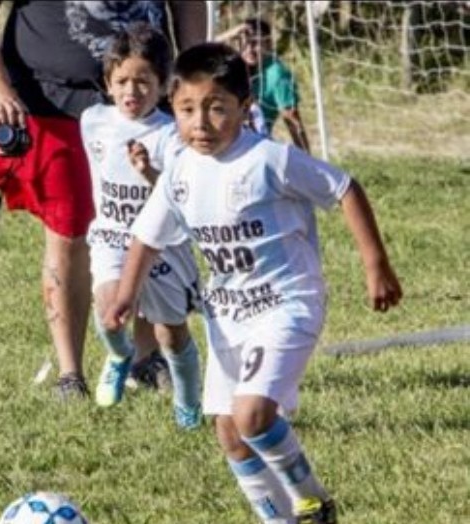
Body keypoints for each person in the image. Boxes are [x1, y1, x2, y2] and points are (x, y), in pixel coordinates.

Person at [104, 43, 402, 522]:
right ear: (172, 108)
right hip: (227, 314)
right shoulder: (179, 169)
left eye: (217, 108)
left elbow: (344, 187)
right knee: (229, 432)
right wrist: (125, 294)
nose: (201, 122)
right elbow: (146, 236)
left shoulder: (269, 159)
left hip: (287, 302)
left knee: (252, 416)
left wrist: (376, 265)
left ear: (245, 109)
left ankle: (314, 501)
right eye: (186, 109)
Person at [0, 1, 207, 399]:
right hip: (52, 103)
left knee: (151, 228)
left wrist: (193, 75)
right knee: (67, 231)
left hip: (146, 96)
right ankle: (70, 373)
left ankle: (146, 359)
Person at [80, 25, 202, 428]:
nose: (132, 91)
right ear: (108, 83)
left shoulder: (172, 135)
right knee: (108, 310)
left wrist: (150, 172)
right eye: (122, 82)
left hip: (162, 244)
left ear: (164, 85)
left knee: (171, 334)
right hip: (113, 237)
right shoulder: (93, 121)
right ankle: (119, 355)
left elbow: (181, 196)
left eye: (143, 82)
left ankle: (187, 403)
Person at [218, 18, 310, 153]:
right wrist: (231, 34)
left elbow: (292, 120)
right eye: (243, 43)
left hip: (254, 147)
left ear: (268, 43)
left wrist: (308, 162)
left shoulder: (277, 74)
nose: (249, 49)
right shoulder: (232, 66)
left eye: (255, 43)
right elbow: (198, 51)